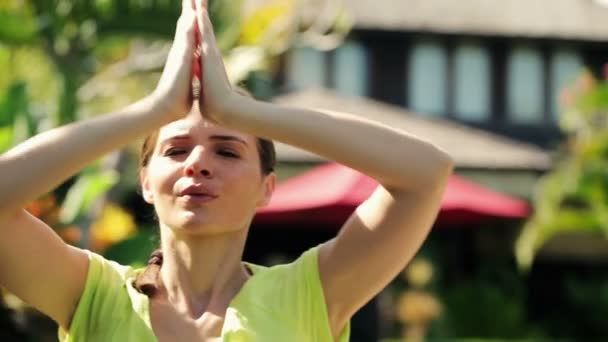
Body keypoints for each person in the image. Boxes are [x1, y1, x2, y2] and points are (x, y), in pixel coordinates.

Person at [0, 1, 453, 341]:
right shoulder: (95, 295)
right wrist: (153, 109)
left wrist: (239, 110)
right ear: (145, 182)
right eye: (176, 150)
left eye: (228, 152)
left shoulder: (311, 292)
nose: (198, 163)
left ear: (266, 188)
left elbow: (426, 173)